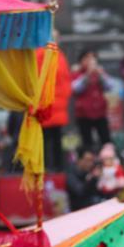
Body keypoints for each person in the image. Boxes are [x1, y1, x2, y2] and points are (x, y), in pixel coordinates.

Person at [37, 35, 72, 172]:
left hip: (46, 105)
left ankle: (46, 167)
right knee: (55, 140)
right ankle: (58, 167)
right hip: (55, 105)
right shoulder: (59, 56)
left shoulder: (40, 55)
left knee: (46, 141)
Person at [72, 49, 111, 149]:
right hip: (84, 113)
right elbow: (75, 88)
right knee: (87, 142)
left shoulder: (99, 72)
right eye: (87, 58)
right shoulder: (77, 72)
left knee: (106, 140)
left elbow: (109, 86)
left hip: (100, 112)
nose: (91, 60)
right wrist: (87, 74)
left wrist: (101, 74)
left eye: (93, 57)